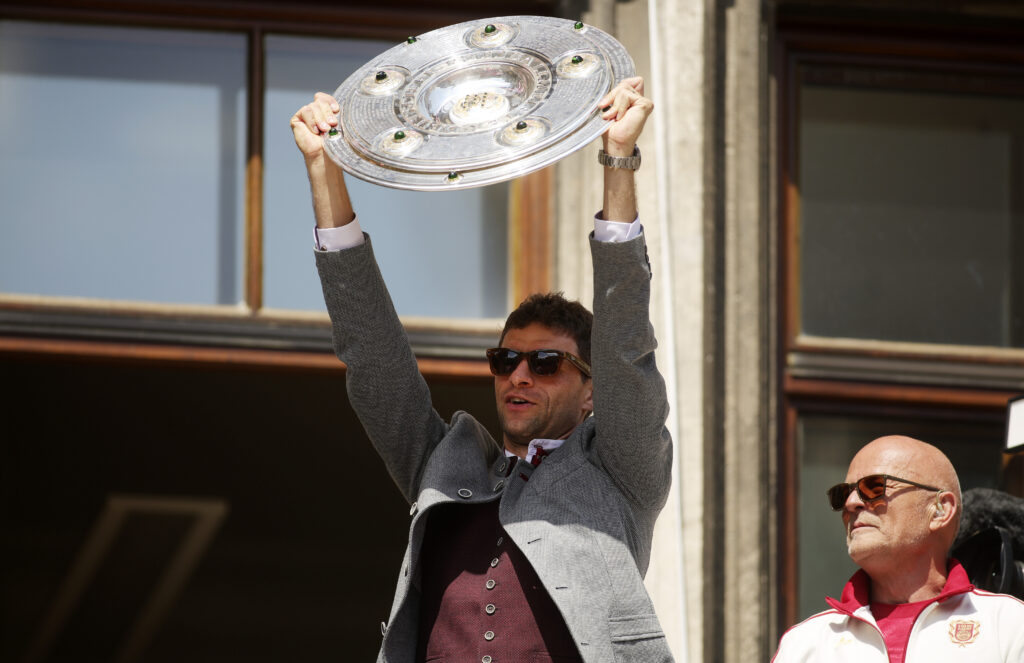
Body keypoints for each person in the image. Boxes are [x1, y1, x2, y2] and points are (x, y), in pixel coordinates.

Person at [290, 77, 674, 663]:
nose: (520, 377)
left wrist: (618, 158)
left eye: (547, 363)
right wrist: (324, 170)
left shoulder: (620, 471)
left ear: (591, 390)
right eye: (506, 360)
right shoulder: (446, 465)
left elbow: (626, 348)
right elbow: (373, 357)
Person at [772, 435, 1024, 662]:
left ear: (940, 510)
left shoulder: (1009, 625)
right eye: (842, 494)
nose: (850, 503)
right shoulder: (806, 644)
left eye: (873, 487)